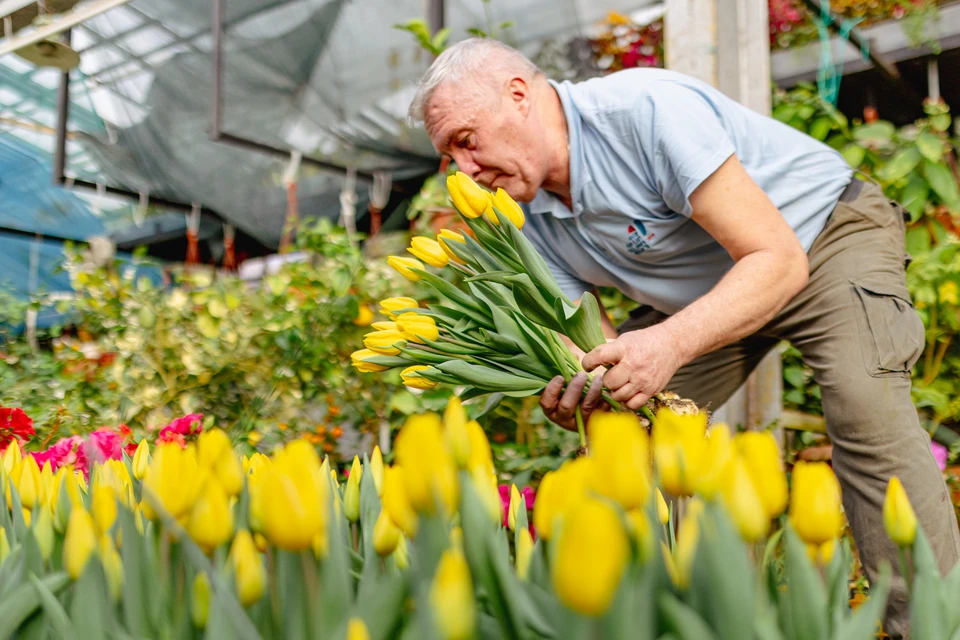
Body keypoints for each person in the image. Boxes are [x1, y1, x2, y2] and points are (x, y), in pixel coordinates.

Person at [408, 37, 959, 636]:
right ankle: (687, 619)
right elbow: (588, 338)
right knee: (624, 431)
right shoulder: (520, 213)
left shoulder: (643, 112)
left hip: (819, 239)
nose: (463, 168)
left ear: (518, 96)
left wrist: (667, 344)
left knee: (864, 404)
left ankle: (931, 625)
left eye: (466, 140)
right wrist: (586, 386)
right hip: (706, 294)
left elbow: (775, 260)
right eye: (449, 156)